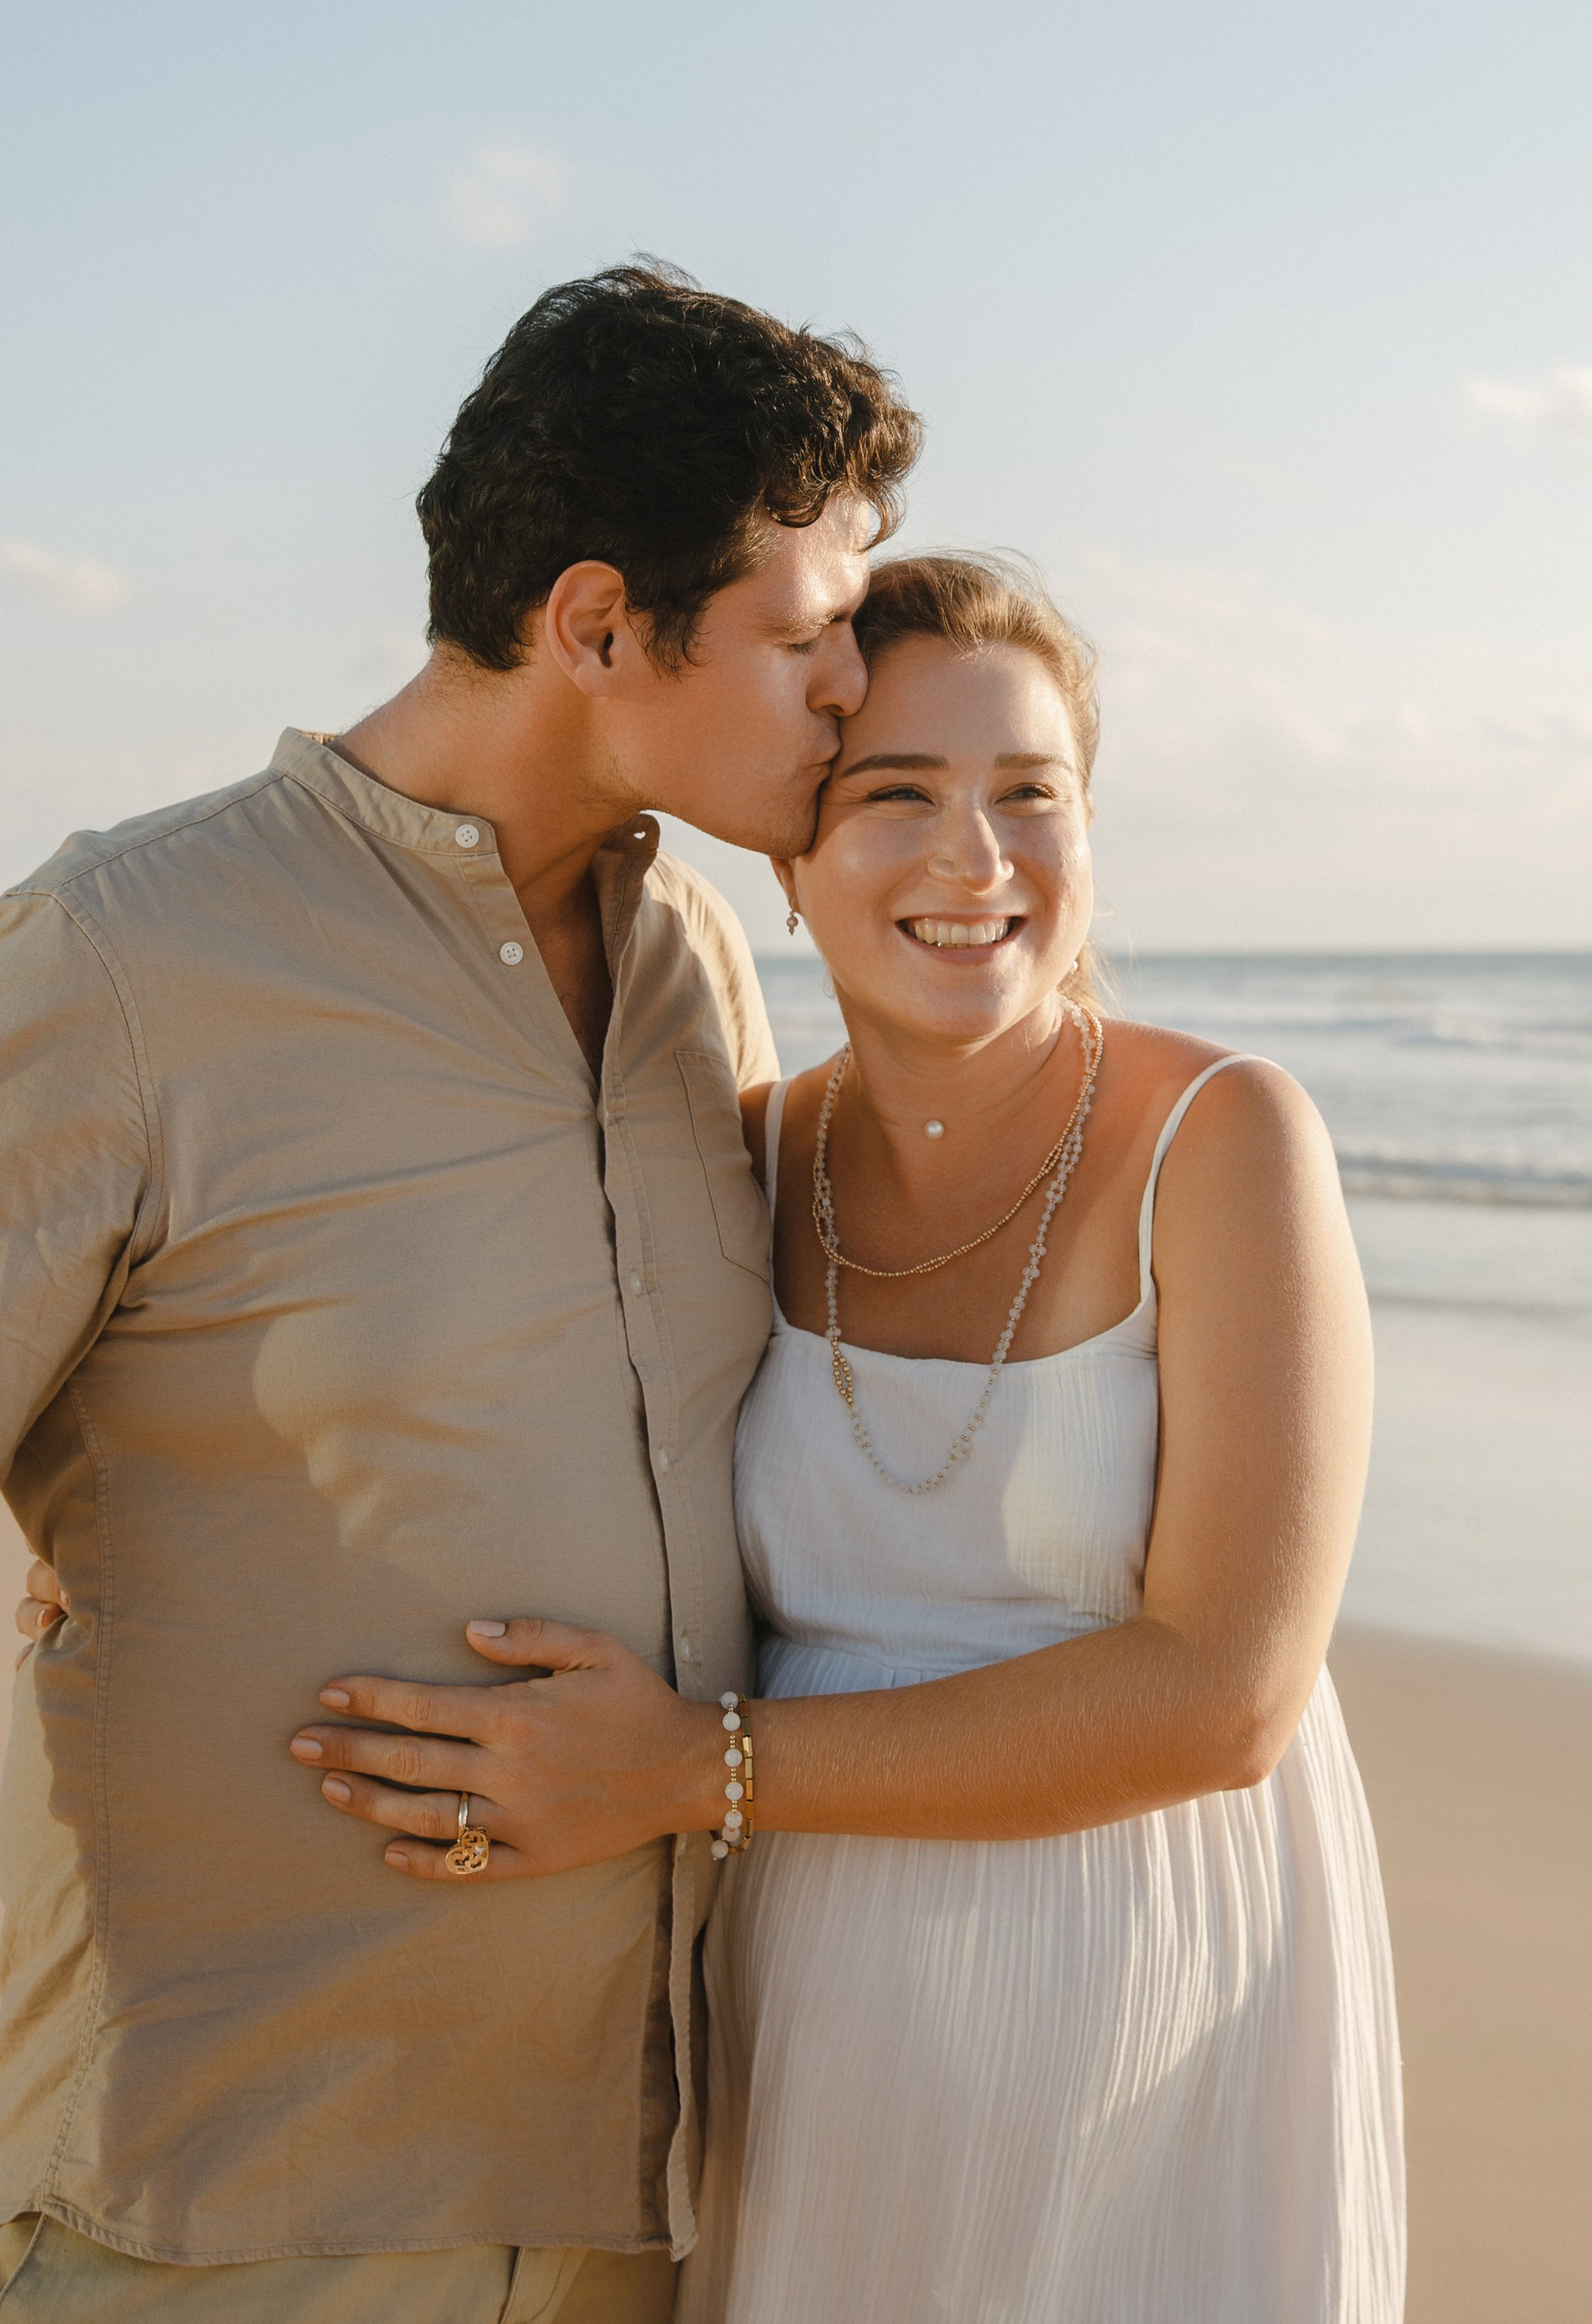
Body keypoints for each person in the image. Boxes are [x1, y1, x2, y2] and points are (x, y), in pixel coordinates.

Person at [273, 555, 1405, 2322]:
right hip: (816, 2003)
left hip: (1148, 1985)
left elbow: (1227, 1698)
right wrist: (141, 1498)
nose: (976, 860)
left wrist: (690, 1770)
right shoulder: (735, 1157)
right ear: (791, 863)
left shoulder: (1226, 1138)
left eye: (1030, 796)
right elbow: (452, 1373)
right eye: (896, 797)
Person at [0, 262, 919, 2318]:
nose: (853, 687)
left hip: (623, 2185)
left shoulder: (694, 952)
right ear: (598, 620)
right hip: (221, 2187)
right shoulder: (124, 954)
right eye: (803, 635)